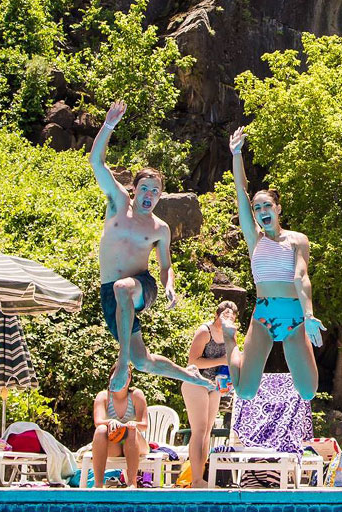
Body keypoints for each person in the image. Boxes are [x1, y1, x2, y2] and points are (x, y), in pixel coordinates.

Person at [91, 100, 212, 392]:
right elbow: (96, 162)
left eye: (155, 191)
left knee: (123, 288)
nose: (149, 195)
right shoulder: (118, 203)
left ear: (160, 196)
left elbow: (165, 266)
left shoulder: (160, 228)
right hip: (110, 292)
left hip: (141, 286)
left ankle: (122, 364)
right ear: (134, 189)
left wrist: (169, 285)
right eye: (144, 189)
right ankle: (190, 376)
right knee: (143, 360)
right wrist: (108, 125)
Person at [226, 127, 324, 401]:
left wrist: (309, 316)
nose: (261, 211)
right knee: (245, 392)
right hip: (263, 315)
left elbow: (301, 277)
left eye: (267, 206)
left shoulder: (297, 240)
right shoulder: (254, 238)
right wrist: (236, 154)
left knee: (308, 392)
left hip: (294, 316)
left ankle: (302, 329)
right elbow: (241, 191)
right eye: (257, 208)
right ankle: (229, 339)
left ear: (278, 208)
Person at [181, 301, 238, 488]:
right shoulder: (205, 331)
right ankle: (196, 479)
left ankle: (200, 478)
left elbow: (232, 360)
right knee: (199, 429)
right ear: (217, 315)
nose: (228, 318)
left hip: (215, 385)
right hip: (196, 381)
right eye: (225, 314)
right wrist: (222, 360)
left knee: (207, 432)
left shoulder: (231, 334)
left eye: (232, 316)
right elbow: (193, 361)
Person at [91, 367, 149, 488]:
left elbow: (144, 425)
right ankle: (98, 484)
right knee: (100, 430)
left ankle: (132, 483)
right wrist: (111, 422)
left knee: (131, 430)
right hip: (114, 444)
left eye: (127, 376)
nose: (124, 379)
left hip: (136, 443)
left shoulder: (136, 395)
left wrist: (131, 424)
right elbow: (98, 422)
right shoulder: (103, 396)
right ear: (111, 378)